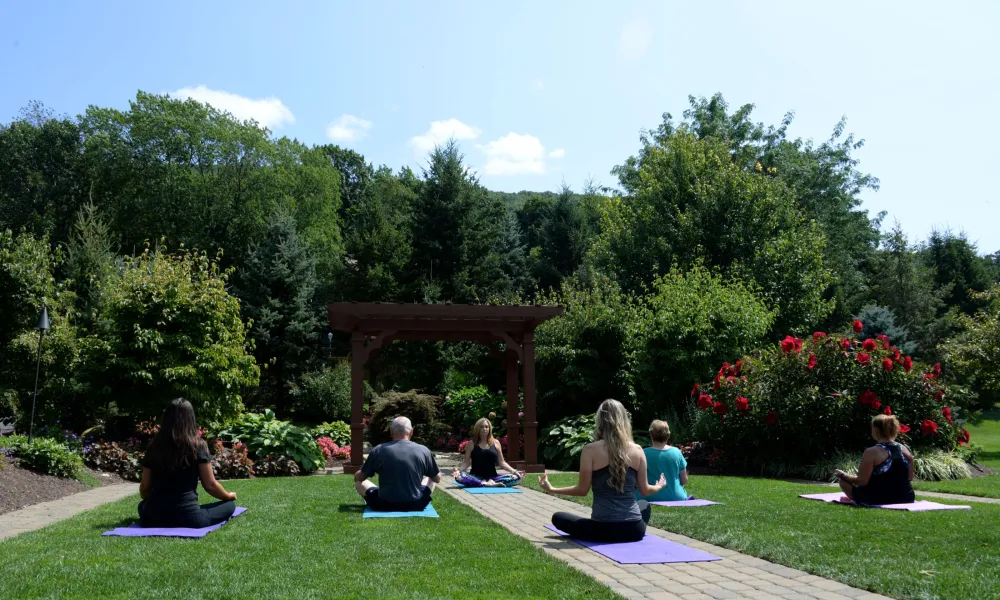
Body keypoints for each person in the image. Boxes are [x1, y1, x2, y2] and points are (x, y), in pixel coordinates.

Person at [539, 399, 667, 543]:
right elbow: (645, 490)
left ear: (600, 421)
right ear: (624, 421)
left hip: (602, 530)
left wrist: (552, 489)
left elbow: (582, 490)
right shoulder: (638, 450)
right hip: (634, 530)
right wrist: (659, 485)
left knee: (558, 517)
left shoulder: (590, 450)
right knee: (644, 505)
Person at [138, 398, 237, 528]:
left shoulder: (154, 446)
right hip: (189, 518)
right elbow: (210, 485)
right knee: (229, 505)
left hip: (151, 518)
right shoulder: (198, 446)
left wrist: (152, 502)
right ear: (191, 419)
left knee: (142, 506)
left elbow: (145, 486)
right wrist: (228, 496)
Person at [355, 416, 442, 512]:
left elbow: (359, 478)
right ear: (411, 431)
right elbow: (437, 479)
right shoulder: (424, 450)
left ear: (391, 431)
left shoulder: (379, 450)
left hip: (384, 504)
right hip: (416, 504)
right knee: (431, 477)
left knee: (359, 483)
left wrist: (357, 474)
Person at [835, 414, 915, 505]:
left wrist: (843, 475)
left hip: (878, 498)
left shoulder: (871, 452)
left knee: (843, 482)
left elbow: (861, 481)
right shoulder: (904, 449)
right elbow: (910, 478)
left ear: (876, 430)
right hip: (906, 498)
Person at [451, 418, 524, 487]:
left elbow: (502, 462)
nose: (484, 429)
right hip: (476, 477)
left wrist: (514, 471)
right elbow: (466, 463)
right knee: (459, 477)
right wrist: (458, 470)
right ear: (477, 429)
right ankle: (485, 483)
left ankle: (487, 483)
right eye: (481, 427)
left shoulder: (496, 443)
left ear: (489, 429)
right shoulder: (471, 443)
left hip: (493, 477)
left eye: (486, 427)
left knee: (516, 477)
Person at [637, 420, 690, 502]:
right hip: (676, 497)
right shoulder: (676, 452)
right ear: (668, 436)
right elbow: (684, 480)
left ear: (651, 435)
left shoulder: (643, 453)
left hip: (650, 496)